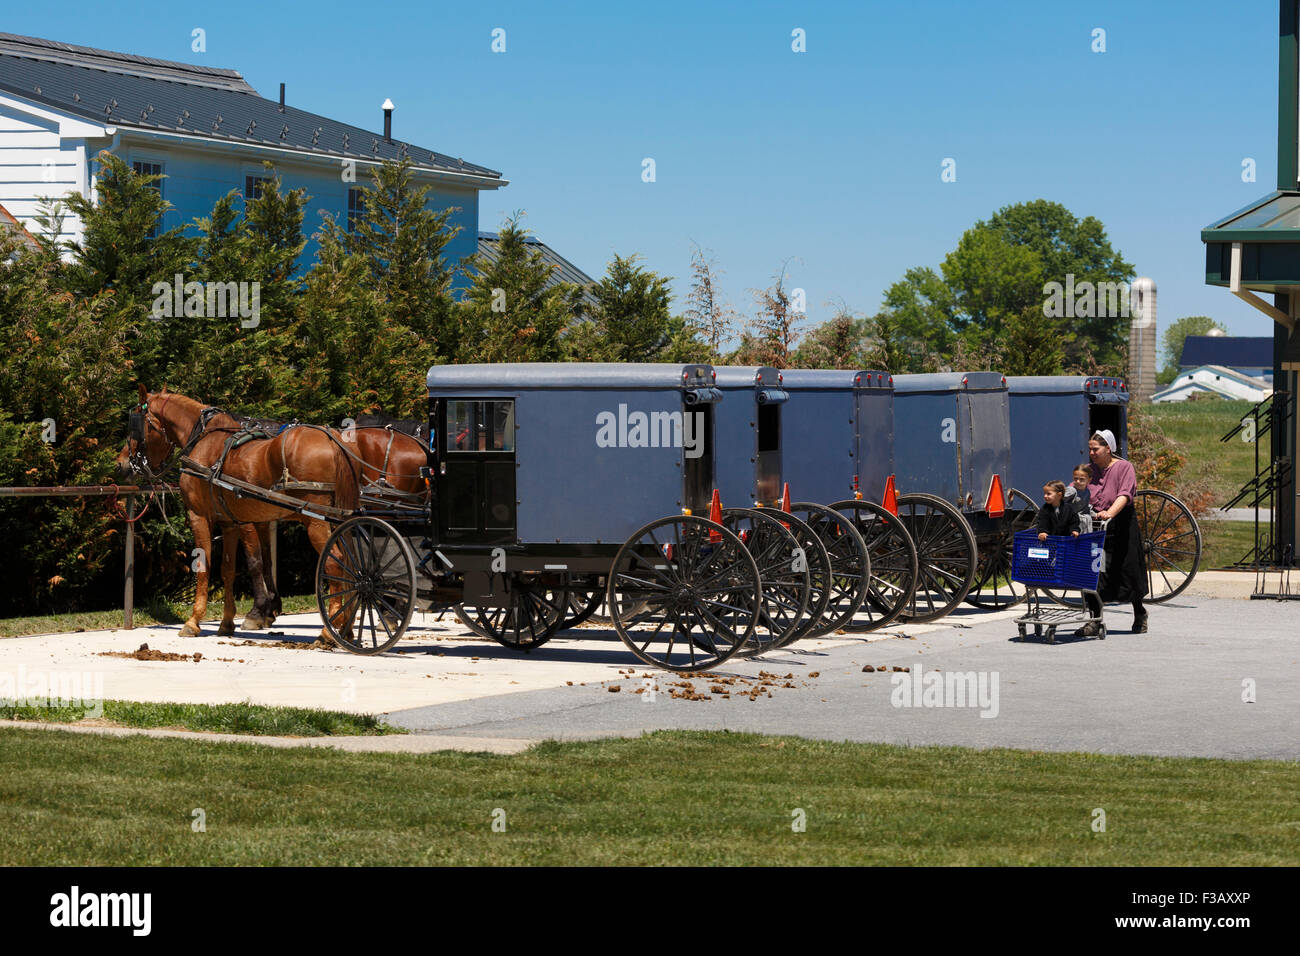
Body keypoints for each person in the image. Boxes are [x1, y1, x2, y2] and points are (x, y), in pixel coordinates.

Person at [1077, 429, 1148, 636]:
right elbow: (1076, 487)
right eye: (1090, 449)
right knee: (1094, 572)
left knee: (1128, 571)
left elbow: (1125, 494)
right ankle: (1094, 620)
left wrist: (1110, 513)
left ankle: (1140, 612)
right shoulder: (1089, 471)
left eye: (1095, 449)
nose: (1091, 453)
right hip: (1096, 527)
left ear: (1108, 449)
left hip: (1121, 524)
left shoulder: (1124, 467)